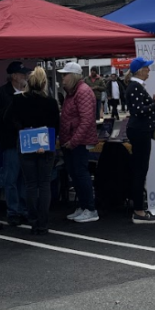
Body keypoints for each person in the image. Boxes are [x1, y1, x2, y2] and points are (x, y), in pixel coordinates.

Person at [5, 67, 60, 235]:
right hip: (45, 145)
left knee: (30, 185)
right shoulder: (50, 102)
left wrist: (22, 129)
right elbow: (56, 126)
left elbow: (7, 119)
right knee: (44, 184)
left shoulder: (18, 100)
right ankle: (43, 222)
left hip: (26, 143)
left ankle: (33, 219)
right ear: (44, 83)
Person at [58, 61, 100, 222]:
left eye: (65, 75)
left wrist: (73, 141)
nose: (62, 78)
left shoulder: (81, 92)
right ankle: (84, 206)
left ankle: (90, 208)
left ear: (73, 76)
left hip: (78, 142)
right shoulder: (73, 92)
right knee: (76, 174)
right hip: (72, 141)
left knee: (81, 174)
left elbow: (86, 120)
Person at [0, 61, 29, 225]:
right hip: (11, 141)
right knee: (11, 178)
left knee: (24, 178)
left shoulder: (27, 93)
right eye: (22, 74)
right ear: (13, 76)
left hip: (27, 141)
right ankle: (13, 211)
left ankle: (24, 209)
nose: (25, 77)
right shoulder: (1, 93)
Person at [124, 56, 155, 224]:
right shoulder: (135, 87)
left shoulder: (135, 87)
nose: (149, 71)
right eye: (147, 68)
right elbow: (139, 110)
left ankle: (138, 206)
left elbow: (138, 109)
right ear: (140, 70)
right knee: (140, 170)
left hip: (140, 130)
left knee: (140, 169)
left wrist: (152, 103)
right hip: (140, 131)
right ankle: (139, 209)